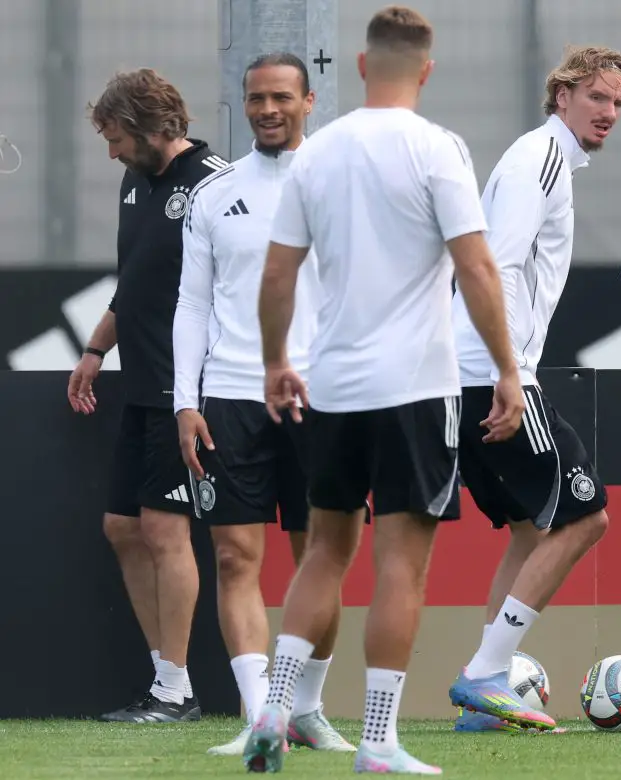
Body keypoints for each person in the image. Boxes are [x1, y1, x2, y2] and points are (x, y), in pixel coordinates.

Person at [242, 6, 530, 774]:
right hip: (415, 389)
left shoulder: (317, 154)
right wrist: (507, 369)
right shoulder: (438, 149)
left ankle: (275, 703)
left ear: (361, 69)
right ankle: (377, 740)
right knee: (401, 567)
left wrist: (276, 361)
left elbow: (276, 275)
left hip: (332, 387)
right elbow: (476, 268)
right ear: (425, 71)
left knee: (323, 554)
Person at [446, 45, 621, 734]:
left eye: (618, 103)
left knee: (532, 532)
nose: (609, 112)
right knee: (587, 516)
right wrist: (506, 372)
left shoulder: (542, 158)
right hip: (493, 373)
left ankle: (486, 697)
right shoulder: (543, 158)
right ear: (562, 96)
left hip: (472, 372)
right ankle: (484, 675)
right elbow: (492, 265)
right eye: (597, 97)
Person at [173, 52, 355, 756]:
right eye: (256, 99)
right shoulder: (215, 194)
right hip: (230, 397)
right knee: (232, 559)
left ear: (310, 101)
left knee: (322, 559)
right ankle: (261, 719)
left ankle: (304, 707)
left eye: (282, 97)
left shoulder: (340, 187)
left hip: (324, 399)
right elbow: (191, 304)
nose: (268, 110)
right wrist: (186, 401)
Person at [70, 68, 230, 724]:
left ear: (146, 125)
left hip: (189, 388)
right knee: (123, 528)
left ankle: (175, 693)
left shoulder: (217, 181)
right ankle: (170, 680)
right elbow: (134, 279)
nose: (109, 152)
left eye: (114, 137)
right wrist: (94, 348)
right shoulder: (135, 181)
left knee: (166, 530)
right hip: (139, 383)